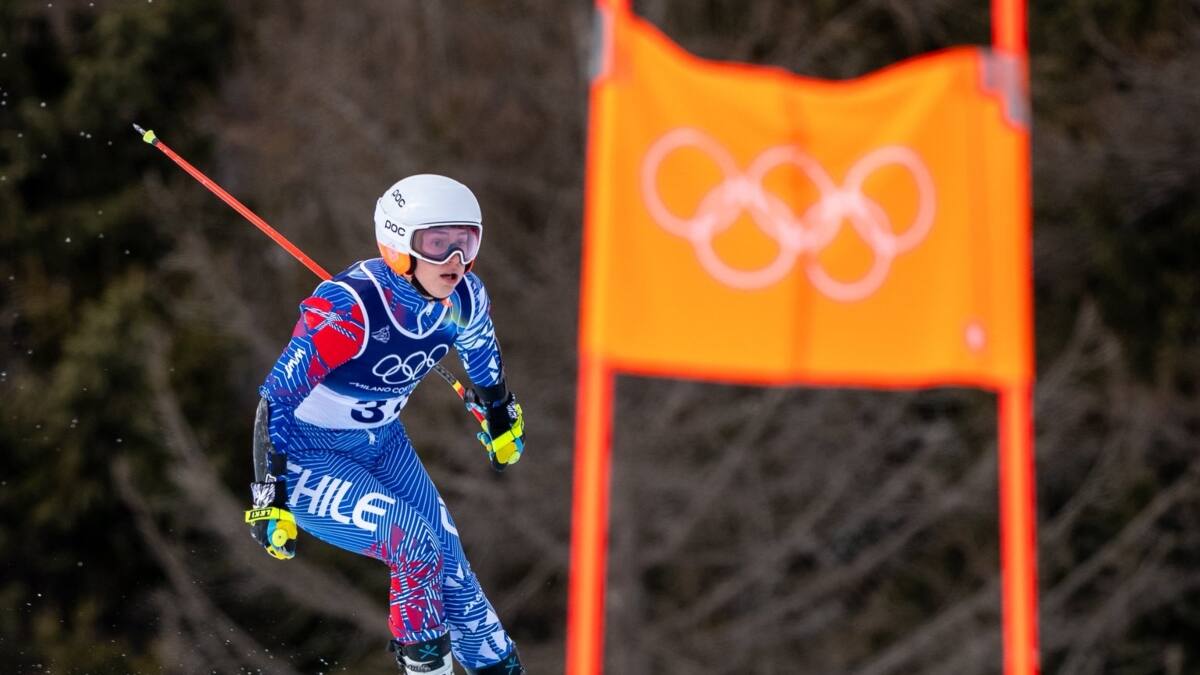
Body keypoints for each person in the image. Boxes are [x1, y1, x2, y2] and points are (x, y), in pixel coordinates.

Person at [243, 174, 527, 675]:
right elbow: (276, 401)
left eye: (466, 243)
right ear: (399, 245)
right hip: (309, 457)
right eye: (437, 245)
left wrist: (500, 413)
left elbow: (481, 354)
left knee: (450, 564)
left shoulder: (463, 301)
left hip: (384, 446)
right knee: (413, 543)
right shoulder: (348, 310)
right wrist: (270, 499)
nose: (455, 263)